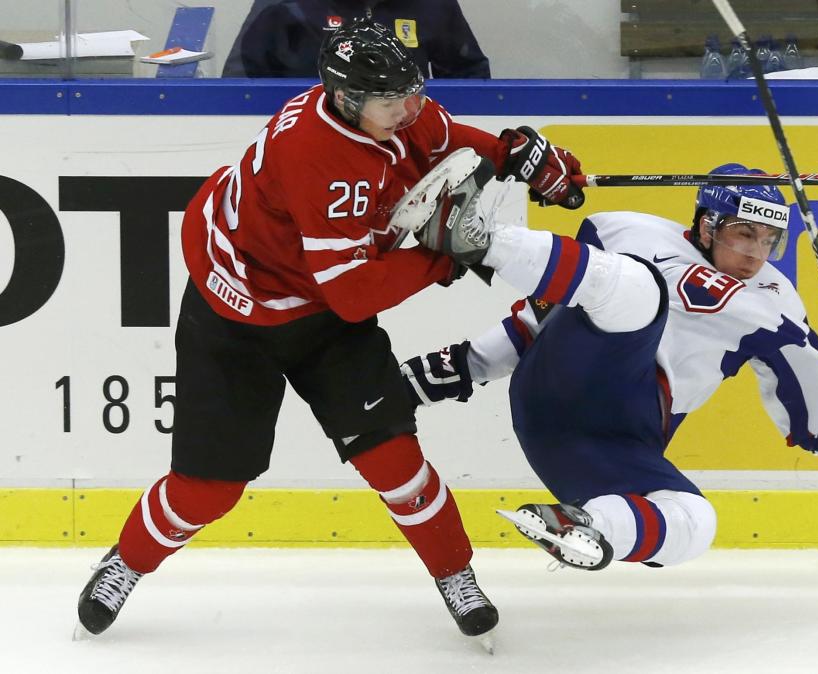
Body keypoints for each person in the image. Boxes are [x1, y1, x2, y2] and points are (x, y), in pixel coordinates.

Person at [74, 17, 583, 644]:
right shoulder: (319, 155)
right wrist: (445, 257)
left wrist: (516, 156)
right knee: (207, 491)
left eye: (412, 93)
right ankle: (125, 561)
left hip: (316, 308)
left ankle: (455, 574)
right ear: (345, 99)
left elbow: (444, 137)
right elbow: (352, 295)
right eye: (393, 102)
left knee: (395, 461)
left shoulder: (385, 105)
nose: (411, 109)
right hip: (239, 316)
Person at [400, 162, 818, 571]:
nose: (756, 253)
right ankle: (475, 236)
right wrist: (465, 366)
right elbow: (540, 321)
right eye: (744, 234)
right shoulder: (630, 235)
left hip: (605, 443)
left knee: (697, 520)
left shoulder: (774, 303)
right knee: (636, 291)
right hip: (560, 381)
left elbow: (817, 410)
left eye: (769, 240)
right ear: (706, 223)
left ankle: (591, 526)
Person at [222, 0, 490, 79]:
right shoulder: (283, 6)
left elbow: (469, 76)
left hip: (408, 154)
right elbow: (239, 85)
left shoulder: (433, 5)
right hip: (307, 153)